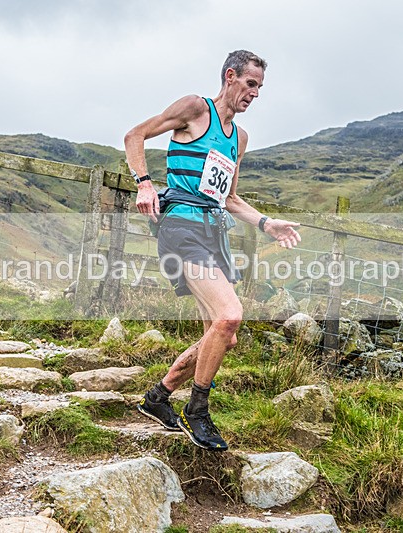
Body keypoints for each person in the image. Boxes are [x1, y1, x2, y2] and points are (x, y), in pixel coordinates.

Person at [124, 50, 301, 451]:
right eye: (250, 84)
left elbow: (231, 199)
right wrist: (145, 183)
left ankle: (158, 397)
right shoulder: (194, 109)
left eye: (260, 88)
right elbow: (134, 135)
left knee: (222, 336)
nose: (254, 94)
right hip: (181, 229)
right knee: (230, 316)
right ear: (230, 76)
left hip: (213, 233)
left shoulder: (239, 138)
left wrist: (266, 223)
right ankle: (197, 410)